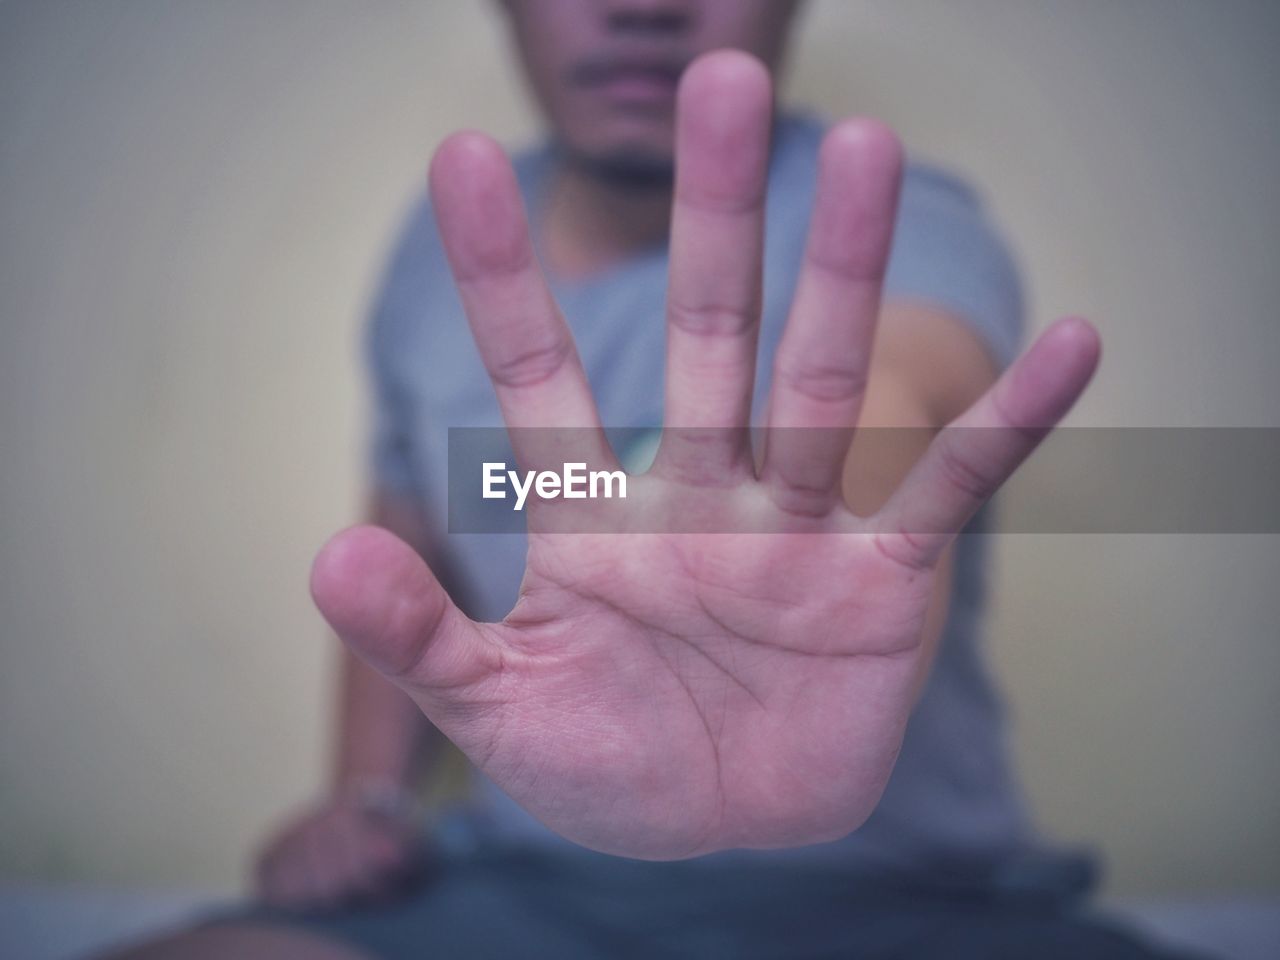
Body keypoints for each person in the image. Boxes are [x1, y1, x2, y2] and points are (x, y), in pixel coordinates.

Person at [109, 1, 1203, 957]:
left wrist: (769, 591)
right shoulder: (435, 258)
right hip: (532, 893)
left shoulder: (895, 223)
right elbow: (409, 541)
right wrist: (364, 799)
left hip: (905, 905)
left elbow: (892, 398)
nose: (642, 5)